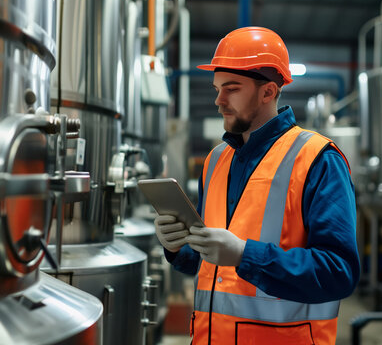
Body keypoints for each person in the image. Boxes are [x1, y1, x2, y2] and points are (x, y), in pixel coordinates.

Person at [154, 26, 359, 345]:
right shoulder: (216, 160)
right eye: (217, 88)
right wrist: (177, 245)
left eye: (232, 88)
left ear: (269, 91)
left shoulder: (317, 159)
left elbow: (338, 273)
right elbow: (205, 264)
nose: (218, 100)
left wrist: (245, 255)